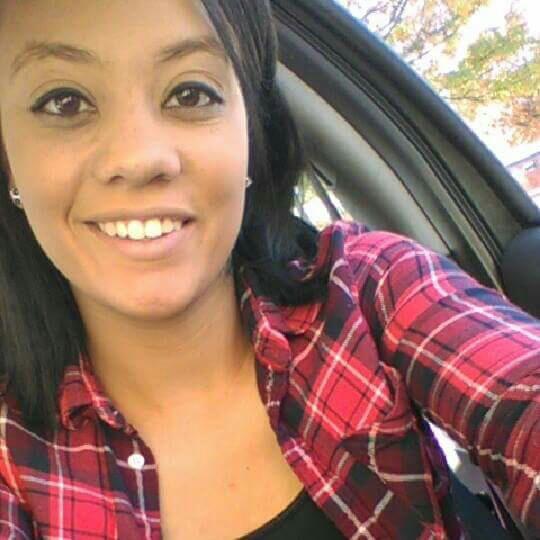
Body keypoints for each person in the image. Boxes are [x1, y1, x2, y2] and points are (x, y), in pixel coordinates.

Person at [0, 0, 538, 538]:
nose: (139, 159)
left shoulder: (368, 289)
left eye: (191, 93)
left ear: (251, 133)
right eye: (63, 102)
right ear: (8, 160)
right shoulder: (11, 453)